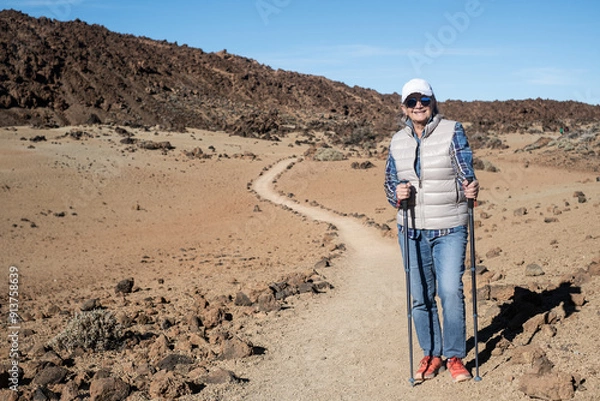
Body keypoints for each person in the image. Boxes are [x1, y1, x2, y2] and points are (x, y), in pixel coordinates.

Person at [384, 78, 480, 383]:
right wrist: (395, 193)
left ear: (432, 101)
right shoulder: (398, 140)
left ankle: (454, 355)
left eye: (423, 100)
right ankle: (431, 352)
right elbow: (389, 182)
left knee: (450, 290)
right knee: (419, 296)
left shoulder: (453, 130)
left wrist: (471, 184)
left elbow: (464, 166)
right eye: (411, 102)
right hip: (411, 228)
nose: (418, 106)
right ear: (404, 107)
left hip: (449, 226)